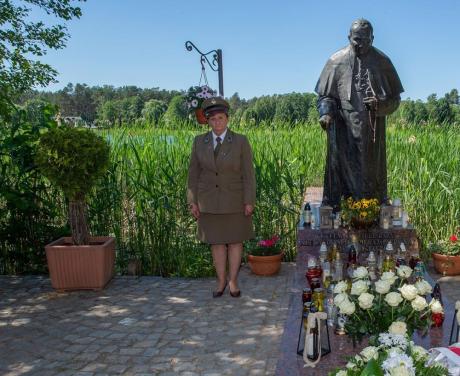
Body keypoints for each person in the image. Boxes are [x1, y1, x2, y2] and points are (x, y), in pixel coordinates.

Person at [315, 19, 404, 209]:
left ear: (372, 39)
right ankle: (339, 211)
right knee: (340, 174)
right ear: (349, 37)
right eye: (356, 39)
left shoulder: (382, 62)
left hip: (371, 131)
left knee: (371, 178)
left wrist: (380, 105)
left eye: (365, 40)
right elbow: (325, 96)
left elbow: (395, 99)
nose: (360, 44)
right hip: (342, 128)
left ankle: (370, 211)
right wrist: (326, 114)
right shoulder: (335, 61)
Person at [187, 97, 256, 298]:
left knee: (235, 242)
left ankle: (233, 281)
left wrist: (249, 200)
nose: (217, 122)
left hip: (235, 201)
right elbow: (193, 173)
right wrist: (192, 200)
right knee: (216, 242)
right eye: (212, 119)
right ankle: (220, 282)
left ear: (227, 119)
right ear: (207, 121)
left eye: (220, 118)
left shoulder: (241, 141)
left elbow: (248, 174)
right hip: (208, 202)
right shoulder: (200, 142)